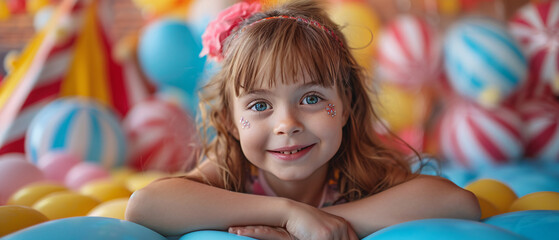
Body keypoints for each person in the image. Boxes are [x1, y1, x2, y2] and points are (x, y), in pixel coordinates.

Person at [125, 1, 480, 239]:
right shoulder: (233, 170)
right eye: (260, 105)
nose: (287, 124)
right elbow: (145, 206)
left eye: (311, 98)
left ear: (346, 106)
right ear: (231, 121)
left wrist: (323, 224)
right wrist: (287, 213)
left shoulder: (357, 172)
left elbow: (458, 204)